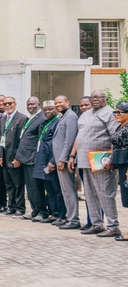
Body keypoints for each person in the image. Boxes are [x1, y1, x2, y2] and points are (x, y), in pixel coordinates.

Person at [71, 90, 120, 237]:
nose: (95, 99)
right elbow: (80, 136)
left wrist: (111, 159)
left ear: (105, 99)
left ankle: (113, 226)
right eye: (93, 97)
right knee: (90, 194)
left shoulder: (110, 113)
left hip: (101, 160)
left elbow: (116, 137)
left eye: (98, 97)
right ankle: (97, 224)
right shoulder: (86, 114)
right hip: (85, 160)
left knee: (105, 193)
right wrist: (72, 155)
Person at [12, 97, 48, 221]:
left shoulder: (42, 118)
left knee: (36, 187)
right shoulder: (31, 118)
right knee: (30, 187)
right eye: (28, 104)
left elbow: (40, 140)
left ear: (39, 104)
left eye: (33, 104)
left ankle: (42, 211)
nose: (30, 106)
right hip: (25, 159)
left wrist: (36, 158)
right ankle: (35, 210)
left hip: (32, 158)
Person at [33, 101, 64, 224]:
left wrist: (52, 161)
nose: (47, 112)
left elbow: (58, 144)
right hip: (43, 161)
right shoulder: (46, 123)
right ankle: (54, 213)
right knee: (49, 189)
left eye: (50, 109)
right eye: (45, 110)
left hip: (52, 161)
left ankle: (61, 214)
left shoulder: (58, 122)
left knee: (57, 189)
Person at [53, 95, 80, 230]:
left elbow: (69, 140)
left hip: (63, 160)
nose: (58, 105)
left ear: (67, 102)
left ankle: (73, 219)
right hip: (59, 159)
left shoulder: (70, 116)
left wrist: (63, 159)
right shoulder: (63, 116)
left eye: (60, 102)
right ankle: (70, 217)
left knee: (69, 190)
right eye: (56, 103)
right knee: (65, 191)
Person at [0, 96, 28, 218]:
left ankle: (20, 208)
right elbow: (1, 138)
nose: (7, 106)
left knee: (18, 185)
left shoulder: (22, 118)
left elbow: (23, 140)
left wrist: (18, 157)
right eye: (5, 104)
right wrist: (0, 154)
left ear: (15, 104)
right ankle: (11, 207)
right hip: (4, 158)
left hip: (15, 158)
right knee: (9, 185)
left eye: (10, 103)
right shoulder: (3, 118)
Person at [110, 101, 128, 241]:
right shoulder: (120, 126)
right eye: (115, 112)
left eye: (119, 112)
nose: (116, 114)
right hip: (121, 164)